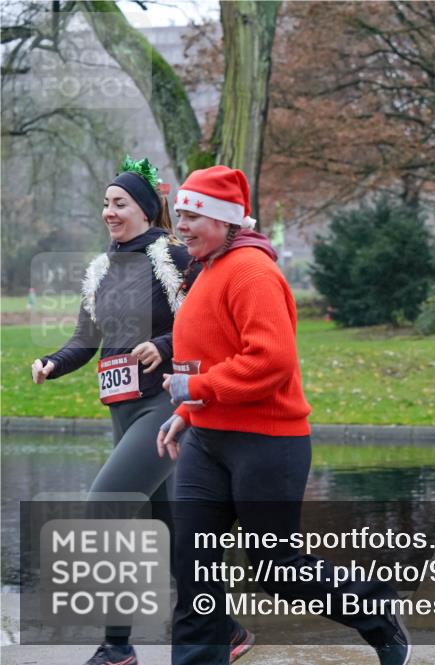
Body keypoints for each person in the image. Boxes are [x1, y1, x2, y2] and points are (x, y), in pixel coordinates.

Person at [156, 165, 410, 665]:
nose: (182, 225)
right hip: (208, 440)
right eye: (179, 214)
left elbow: (270, 362)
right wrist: (188, 410)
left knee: (276, 568)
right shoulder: (205, 268)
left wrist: (196, 387)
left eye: (193, 215)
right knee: (192, 562)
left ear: (227, 221)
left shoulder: (251, 270)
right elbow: (212, 350)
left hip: (266, 443)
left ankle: (376, 613)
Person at [29, 157, 212, 665]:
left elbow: (205, 323)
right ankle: (225, 629)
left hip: (162, 405)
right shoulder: (102, 268)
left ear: (147, 210)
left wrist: (166, 343)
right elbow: (87, 340)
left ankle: (116, 648)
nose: (109, 212)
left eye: (120, 203)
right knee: (171, 528)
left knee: (105, 507)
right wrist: (51, 362)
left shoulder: (172, 257)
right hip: (122, 411)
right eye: (106, 203)